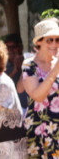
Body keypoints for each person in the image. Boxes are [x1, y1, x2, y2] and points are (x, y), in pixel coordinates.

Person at [22, 18, 59, 158]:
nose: (55, 44)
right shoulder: (29, 65)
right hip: (39, 130)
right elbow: (37, 95)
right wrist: (55, 70)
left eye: (58, 40)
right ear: (39, 42)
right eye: (50, 40)